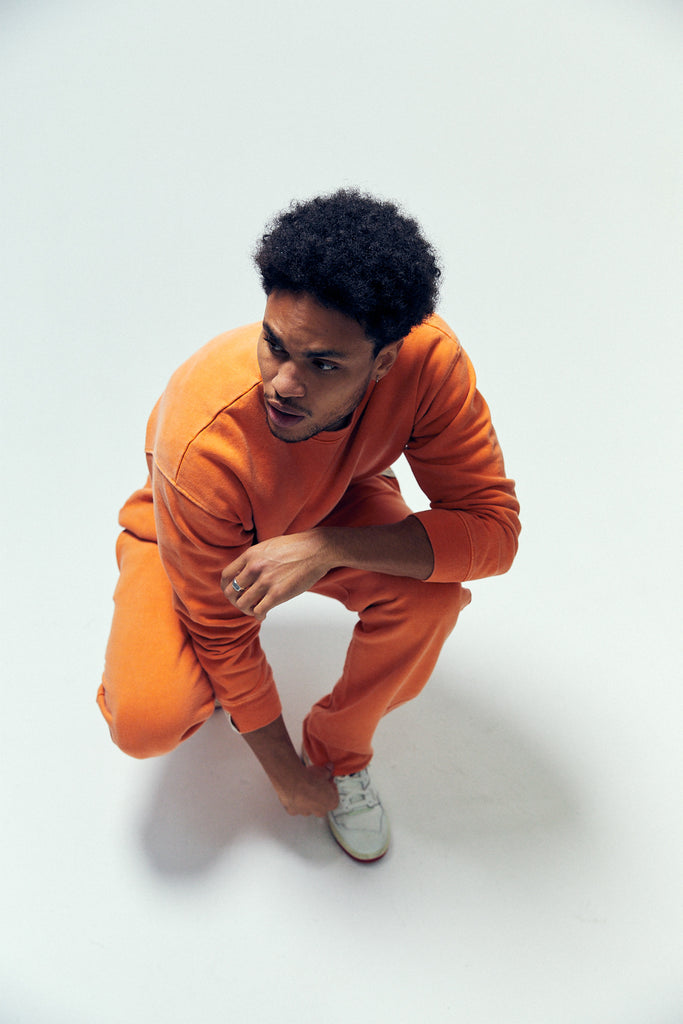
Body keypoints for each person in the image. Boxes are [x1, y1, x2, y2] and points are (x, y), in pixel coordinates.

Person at [98, 188, 521, 862]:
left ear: (384, 360)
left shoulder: (428, 362)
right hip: (189, 522)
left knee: (430, 598)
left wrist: (325, 546)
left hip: (335, 501)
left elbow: (493, 532)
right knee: (148, 720)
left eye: (323, 364)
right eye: (274, 345)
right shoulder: (203, 441)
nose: (284, 385)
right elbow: (224, 629)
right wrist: (284, 775)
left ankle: (340, 750)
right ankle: (188, 657)